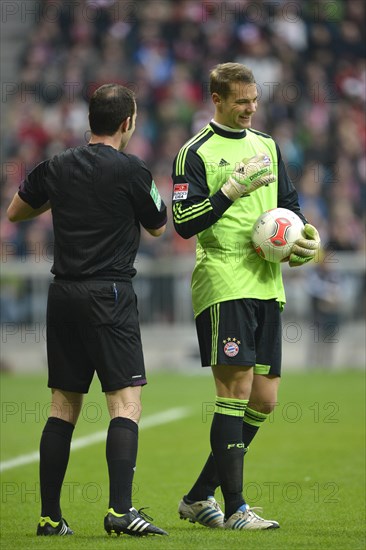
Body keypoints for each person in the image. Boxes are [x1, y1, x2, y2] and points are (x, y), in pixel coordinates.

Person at [7, 84, 168, 537]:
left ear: (89, 121)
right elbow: (158, 228)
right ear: (126, 123)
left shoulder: (56, 165)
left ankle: (49, 518)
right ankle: (120, 510)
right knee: (125, 403)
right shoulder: (133, 170)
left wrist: (67, 199)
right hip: (109, 294)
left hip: (62, 297)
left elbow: (16, 212)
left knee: (62, 405)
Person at [171, 63, 320, 530]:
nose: (250, 109)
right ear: (216, 99)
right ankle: (235, 508)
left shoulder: (269, 147)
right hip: (223, 281)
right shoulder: (193, 153)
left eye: (254, 100)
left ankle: (198, 496)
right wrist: (230, 191)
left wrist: (302, 241)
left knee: (264, 400)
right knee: (233, 392)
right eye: (241, 102)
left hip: (267, 284)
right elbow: (183, 222)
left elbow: (290, 207)